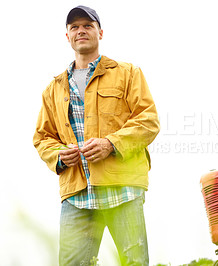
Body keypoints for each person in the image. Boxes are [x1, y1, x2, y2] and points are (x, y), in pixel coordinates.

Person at [33, 5, 160, 265]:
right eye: (74, 27)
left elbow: (148, 121)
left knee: (134, 262)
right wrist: (59, 155)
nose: (81, 31)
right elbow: (42, 137)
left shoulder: (128, 73)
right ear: (67, 36)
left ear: (100, 33)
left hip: (122, 190)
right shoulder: (53, 89)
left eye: (88, 26)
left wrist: (110, 144)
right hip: (77, 196)